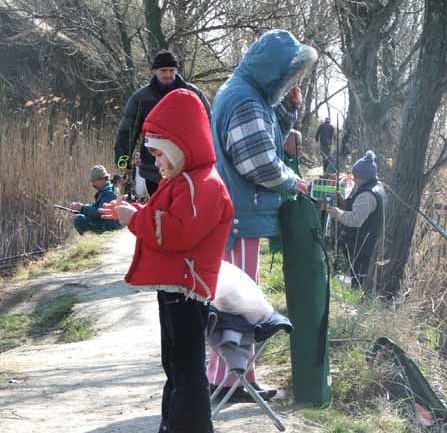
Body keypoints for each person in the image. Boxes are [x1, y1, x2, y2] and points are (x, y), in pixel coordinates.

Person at [100, 88, 234, 433]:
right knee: (175, 366)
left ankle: (189, 426)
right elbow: (162, 218)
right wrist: (133, 212)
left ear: (180, 148)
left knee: (186, 370)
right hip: (176, 289)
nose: (156, 163)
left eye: (160, 155)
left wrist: (135, 218)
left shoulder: (202, 184)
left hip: (187, 291)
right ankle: (173, 424)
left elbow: (177, 233)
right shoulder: (185, 181)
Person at [209, 29, 317, 401]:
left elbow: (262, 138)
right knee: (238, 303)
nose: (288, 82)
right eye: (287, 75)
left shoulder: (243, 92)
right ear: (273, 69)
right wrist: (293, 181)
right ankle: (229, 382)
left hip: (234, 214)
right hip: (240, 217)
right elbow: (260, 164)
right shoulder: (246, 101)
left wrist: (287, 111)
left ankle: (236, 379)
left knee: (235, 299)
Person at [114, 50, 211, 197]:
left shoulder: (193, 94)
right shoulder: (140, 99)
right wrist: (123, 162)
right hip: (154, 171)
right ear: (155, 71)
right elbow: (127, 132)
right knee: (159, 210)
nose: (168, 75)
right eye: (163, 70)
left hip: (188, 169)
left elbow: (208, 127)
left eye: (172, 70)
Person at [328, 150, 385, 289]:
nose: (353, 179)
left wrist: (337, 213)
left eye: (355, 176)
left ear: (364, 177)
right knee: (357, 274)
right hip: (366, 240)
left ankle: (356, 297)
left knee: (358, 278)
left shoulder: (367, 195)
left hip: (364, 244)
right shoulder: (375, 186)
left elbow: (355, 219)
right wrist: (343, 203)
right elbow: (358, 208)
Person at [70, 165, 121, 235]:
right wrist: (81, 209)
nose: (92, 184)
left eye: (94, 181)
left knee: (79, 219)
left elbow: (101, 212)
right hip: (108, 223)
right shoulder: (105, 190)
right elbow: (96, 207)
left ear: (102, 179)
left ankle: (90, 239)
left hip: (111, 226)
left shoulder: (109, 193)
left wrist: (83, 208)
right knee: (80, 216)